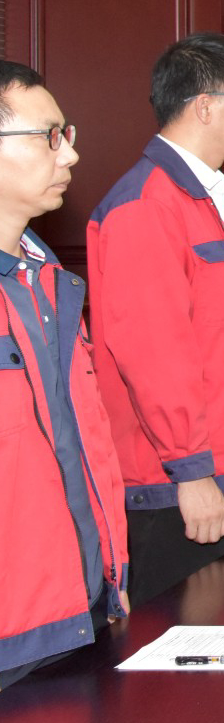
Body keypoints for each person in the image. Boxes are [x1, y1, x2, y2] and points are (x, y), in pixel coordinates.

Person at [87, 33, 224, 604]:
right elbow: (153, 354)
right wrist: (192, 471)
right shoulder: (145, 205)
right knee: (198, 646)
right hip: (184, 490)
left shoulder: (218, 201)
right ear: (205, 106)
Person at [0, 62, 129, 690]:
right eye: (50, 136)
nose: (71, 154)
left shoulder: (49, 282)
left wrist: (113, 568)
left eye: (67, 133)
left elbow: (84, 444)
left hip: (77, 606)